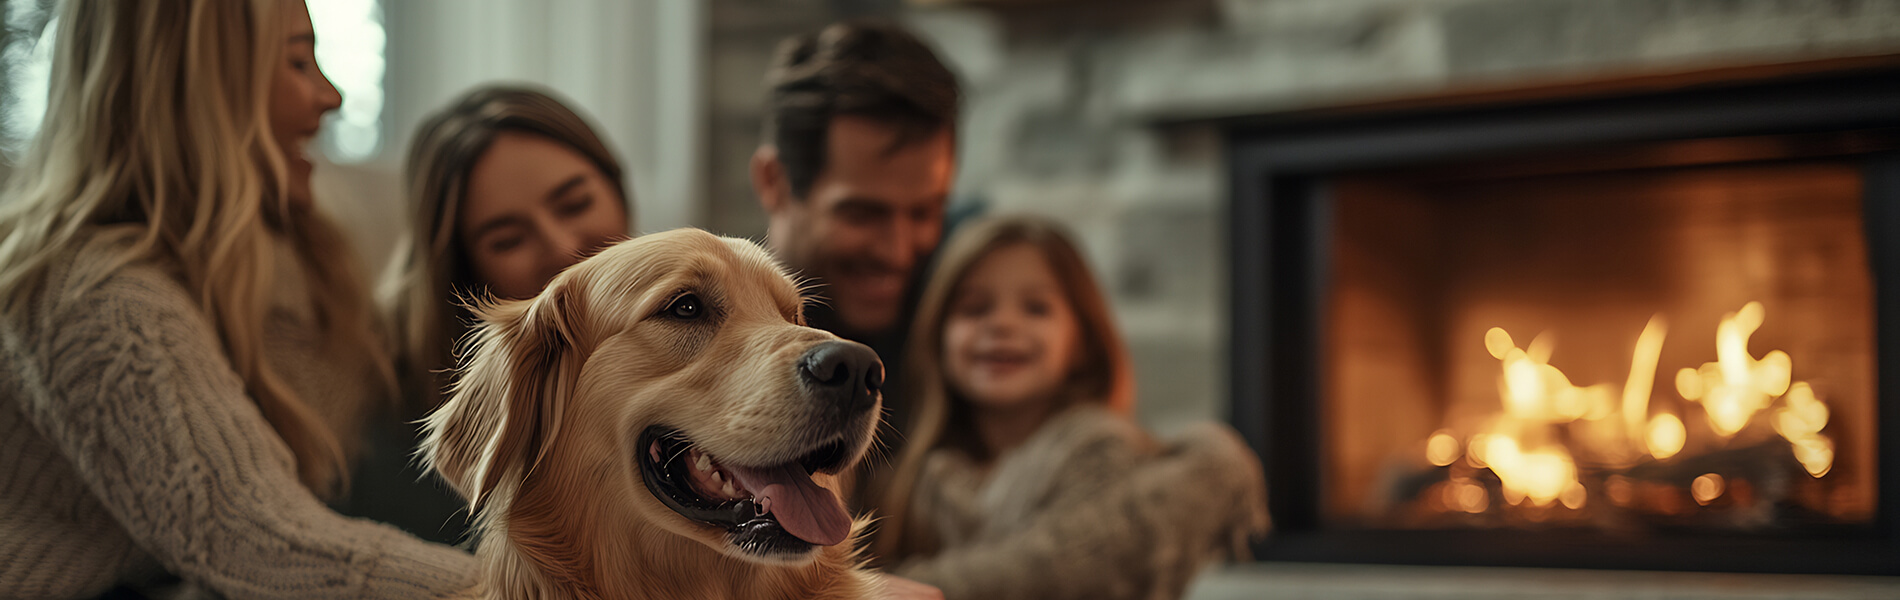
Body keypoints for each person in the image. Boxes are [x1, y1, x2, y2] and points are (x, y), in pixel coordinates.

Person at [0, 1, 475, 597]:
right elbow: (257, 539)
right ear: (197, 91)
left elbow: (403, 381)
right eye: (298, 62)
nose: (331, 97)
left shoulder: (298, 253)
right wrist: (526, 590)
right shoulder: (95, 299)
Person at [873, 216, 1268, 600]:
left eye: (1036, 309)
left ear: (1082, 343)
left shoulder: (1101, 452)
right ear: (937, 337)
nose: (1003, 325)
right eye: (975, 309)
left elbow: (1066, 575)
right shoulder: (911, 482)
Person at [362, 85, 635, 543]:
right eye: (507, 240)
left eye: (576, 204)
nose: (564, 248)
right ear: (464, 274)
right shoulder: (412, 436)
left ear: (616, 186)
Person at [748, 18, 960, 506]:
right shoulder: (699, 336)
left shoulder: (967, 324)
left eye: (926, 212)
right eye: (863, 213)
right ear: (773, 181)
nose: (898, 250)